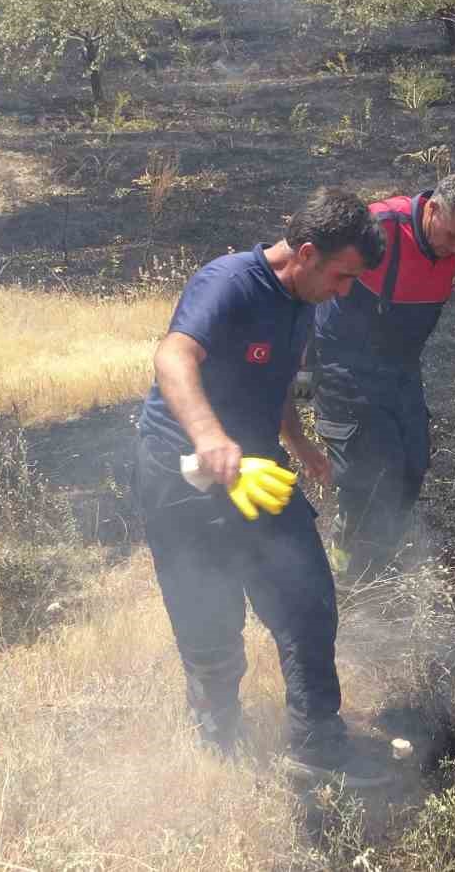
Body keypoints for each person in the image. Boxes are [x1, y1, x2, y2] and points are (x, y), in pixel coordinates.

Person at [132, 188, 391, 785]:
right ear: (305, 252)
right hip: (182, 472)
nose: (345, 290)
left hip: (257, 467)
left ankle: (317, 745)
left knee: (307, 597)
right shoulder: (229, 282)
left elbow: (272, 374)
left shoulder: (305, 296)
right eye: (343, 275)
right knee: (210, 617)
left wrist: (296, 441)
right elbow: (173, 357)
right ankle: (219, 737)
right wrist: (208, 436)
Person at [309, 173, 455, 585]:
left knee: (411, 468)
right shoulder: (377, 227)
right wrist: (299, 366)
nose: (454, 250)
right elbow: (306, 273)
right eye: (451, 236)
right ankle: (347, 578)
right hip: (343, 364)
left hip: (401, 368)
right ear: (433, 208)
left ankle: (377, 563)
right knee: (371, 471)